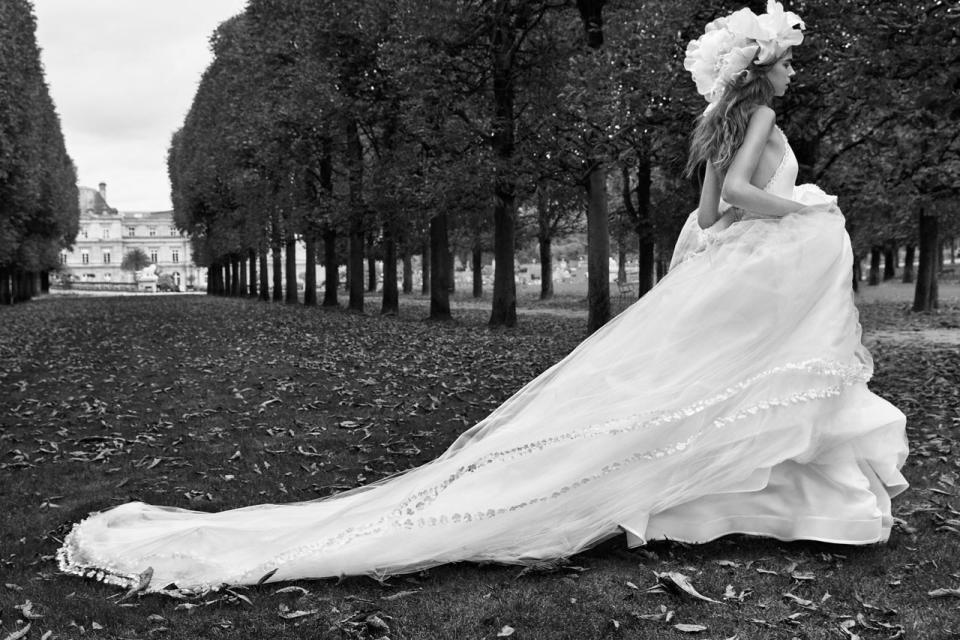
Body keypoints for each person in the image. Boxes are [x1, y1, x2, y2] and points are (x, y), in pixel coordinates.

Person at [57, 1, 908, 594]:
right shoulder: (759, 120)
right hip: (754, 268)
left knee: (712, 386)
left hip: (738, 274)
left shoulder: (723, 125)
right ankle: (771, 500)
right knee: (743, 384)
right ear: (764, 71)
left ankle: (742, 498)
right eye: (790, 61)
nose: (795, 73)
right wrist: (807, 201)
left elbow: (709, 207)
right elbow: (737, 208)